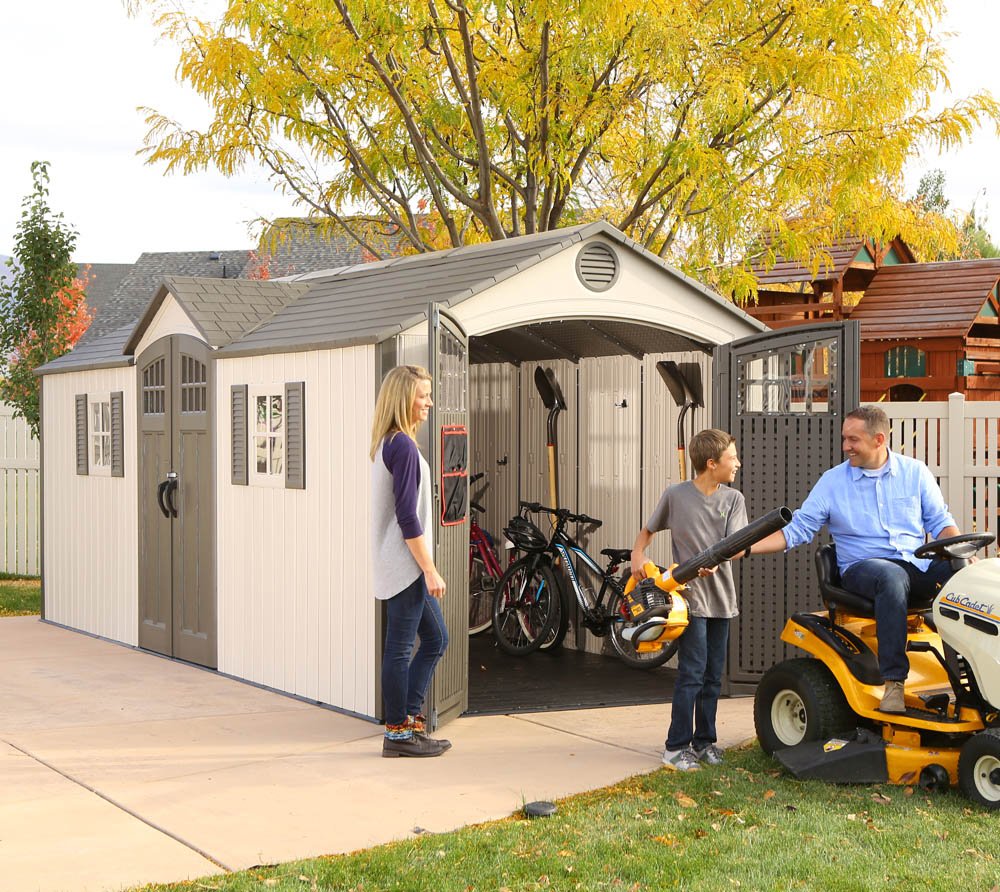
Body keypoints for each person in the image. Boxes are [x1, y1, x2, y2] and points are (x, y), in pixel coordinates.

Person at [751, 405, 961, 714]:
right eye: (844, 439)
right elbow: (798, 529)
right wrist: (746, 548)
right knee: (890, 576)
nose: (846, 446)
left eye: (853, 439)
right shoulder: (833, 482)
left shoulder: (915, 473)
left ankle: (971, 677)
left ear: (879, 440)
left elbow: (941, 523)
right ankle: (894, 683)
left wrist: (960, 555)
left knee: (963, 573)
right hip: (863, 570)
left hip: (914, 565)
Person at [631, 428, 748, 772]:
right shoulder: (675, 495)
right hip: (689, 601)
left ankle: (704, 742)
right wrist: (638, 554)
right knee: (692, 674)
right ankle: (675, 747)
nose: (737, 464)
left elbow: (738, 546)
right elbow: (648, 530)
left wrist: (719, 559)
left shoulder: (733, 500)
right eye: (732, 458)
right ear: (712, 463)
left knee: (712, 676)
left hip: (722, 600)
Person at [370, 365, 451, 757]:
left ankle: (409, 723)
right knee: (401, 649)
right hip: (406, 566)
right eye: (423, 395)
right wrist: (429, 569)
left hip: (403, 564)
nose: (429, 402)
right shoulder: (401, 445)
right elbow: (407, 516)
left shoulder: (390, 442)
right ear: (404, 398)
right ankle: (398, 734)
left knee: (436, 639)